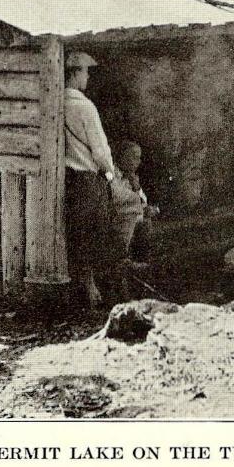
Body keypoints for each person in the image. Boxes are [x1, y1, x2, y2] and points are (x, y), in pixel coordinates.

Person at [63, 51, 118, 307]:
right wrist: (110, 173)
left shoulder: (57, 103)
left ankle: (84, 291)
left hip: (70, 179)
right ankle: (96, 294)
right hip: (89, 181)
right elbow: (100, 150)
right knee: (97, 235)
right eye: (85, 71)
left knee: (78, 237)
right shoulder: (84, 106)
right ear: (74, 73)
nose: (87, 77)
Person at [110, 140, 159, 262]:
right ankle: (122, 259)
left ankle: (141, 261)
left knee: (145, 223)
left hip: (129, 214)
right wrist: (141, 207)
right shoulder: (112, 172)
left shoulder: (131, 177)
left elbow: (143, 201)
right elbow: (116, 196)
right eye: (134, 157)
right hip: (115, 215)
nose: (138, 162)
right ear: (122, 157)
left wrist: (136, 187)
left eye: (139, 158)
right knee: (136, 219)